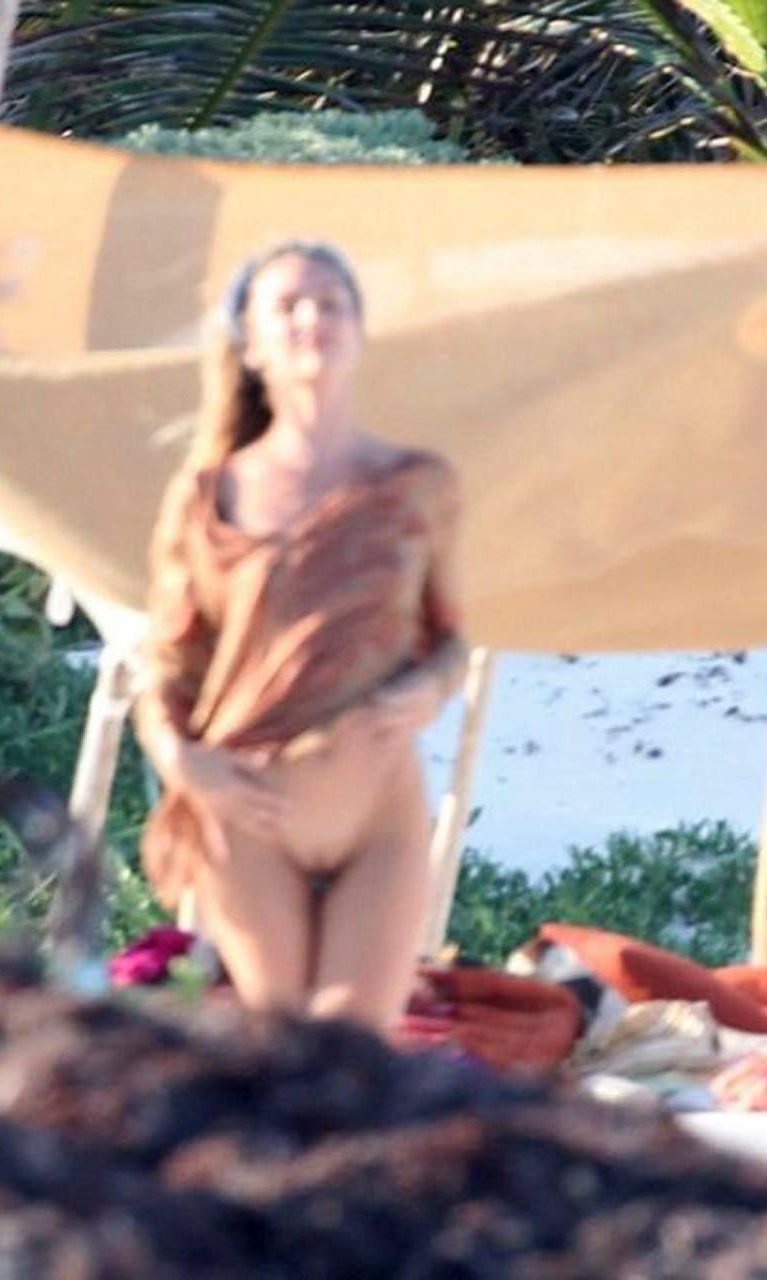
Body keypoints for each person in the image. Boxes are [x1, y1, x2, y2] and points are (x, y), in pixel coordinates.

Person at [132, 240, 470, 1032]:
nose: (312, 318)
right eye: (286, 306)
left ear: (359, 331)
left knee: (353, 1042)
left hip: (377, 812)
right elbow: (166, 670)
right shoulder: (207, 496)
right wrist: (182, 762)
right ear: (250, 347)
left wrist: (431, 689)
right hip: (247, 817)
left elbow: (451, 641)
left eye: (331, 303)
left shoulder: (418, 486)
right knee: (287, 1046)